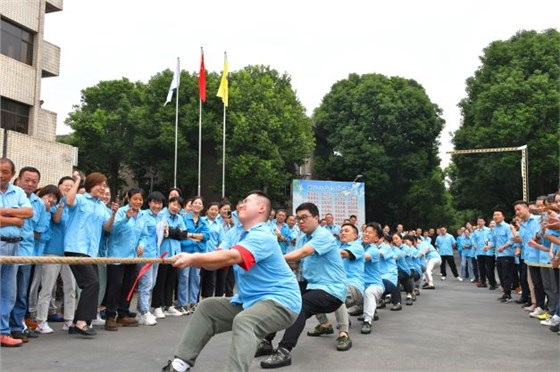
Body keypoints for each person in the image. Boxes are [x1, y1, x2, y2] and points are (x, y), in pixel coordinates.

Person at [161, 191, 301, 372]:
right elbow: (218, 260)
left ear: (261, 208)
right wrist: (195, 260)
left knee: (245, 321)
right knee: (207, 308)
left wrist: (193, 258)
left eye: (247, 201)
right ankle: (180, 365)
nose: (241, 204)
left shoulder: (263, 235)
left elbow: (233, 256)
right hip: (251, 301)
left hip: (282, 302)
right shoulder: (236, 233)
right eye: (241, 201)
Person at [260, 202, 346, 369]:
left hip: (331, 289)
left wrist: (270, 259)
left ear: (316, 218)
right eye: (298, 218)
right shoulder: (302, 238)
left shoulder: (324, 235)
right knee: (283, 300)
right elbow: (295, 260)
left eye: (304, 218)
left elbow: (302, 253)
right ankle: (266, 342)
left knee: (300, 305)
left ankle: (284, 350)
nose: (300, 222)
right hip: (311, 285)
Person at [64, 171, 118, 337]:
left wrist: (114, 213)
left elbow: (107, 227)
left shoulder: (102, 206)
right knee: (92, 283)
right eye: (99, 185)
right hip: (75, 248)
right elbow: (69, 200)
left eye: (104, 185)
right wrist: (77, 181)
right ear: (90, 185)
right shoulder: (80, 199)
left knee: (91, 284)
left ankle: (76, 322)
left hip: (91, 251)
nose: (103, 188)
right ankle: (82, 322)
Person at [307, 222, 364, 351]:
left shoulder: (357, 246)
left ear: (356, 236)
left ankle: (344, 334)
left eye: (347, 231)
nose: (343, 232)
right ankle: (325, 325)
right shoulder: (335, 245)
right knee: (313, 293)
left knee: (338, 292)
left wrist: (318, 249)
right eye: (342, 230)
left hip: (354, 287)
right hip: (334, 284)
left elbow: (343, 254)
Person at [9, 167, 48, 343]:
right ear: (18, 180)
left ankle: (17, 327)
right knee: (5, 291)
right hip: (6, 250)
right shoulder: (10, 196)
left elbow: (39, 230)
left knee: (21, 292)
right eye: (27, 180)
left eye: (34, 181)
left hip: (26, 252)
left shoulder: (38, 203)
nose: (30, 184)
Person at [0, 158, 33, 347]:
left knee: (8, 293)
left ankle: (3, 332)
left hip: (14, 247)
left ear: (12, 174)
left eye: (5, 171)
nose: (1, 175)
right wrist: (14, 217)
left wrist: (3, 214)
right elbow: (21, 218)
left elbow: (29, 213)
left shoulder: (18, 191)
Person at [104, 188, 147, 331]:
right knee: (115, 286)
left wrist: (142, 245)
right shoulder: (121, 212)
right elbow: (111, 230)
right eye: (135, 199)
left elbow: (144, 235)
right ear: (128, 199)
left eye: (140, 199)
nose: (138, 202)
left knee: (128, 286)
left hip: (132, 258)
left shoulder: (142, 215)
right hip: (117, 255)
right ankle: (110, 316)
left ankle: (123, 314)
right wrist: (126, 218)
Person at [135, 191, 166, 326]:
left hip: (156, 255)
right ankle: (144, 311)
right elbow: (141, 234)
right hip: (145, 255)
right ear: (149, 203)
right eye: (155, 202)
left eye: (159, 203)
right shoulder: (143, 215)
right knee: (146, 284)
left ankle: (140, 310)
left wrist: (165, 231)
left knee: (151, 283)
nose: (157, 206)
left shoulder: (161, 218)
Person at [178, 196, 208, 315]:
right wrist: (194, 237)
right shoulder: (184, 219)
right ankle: (182, 303)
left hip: (198, 252)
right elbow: (182, 235)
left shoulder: (203, 221)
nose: (197, 205)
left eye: (199, 204)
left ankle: (193, 302)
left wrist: (191, 235)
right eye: (195, 203)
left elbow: (206, 236)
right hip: (186, 250)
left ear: (202, 207)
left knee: (196, 277)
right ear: (191, 205)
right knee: (184, 276)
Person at [360, 223, 385, 334]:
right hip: (361, 284)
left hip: (375, 285)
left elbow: (364, 258)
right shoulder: (359, 246)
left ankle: (367, 321)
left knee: (369, 292)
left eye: (370, 233)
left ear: (376, 238)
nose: (366, 234)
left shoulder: (374, 250)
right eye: (365, 231)